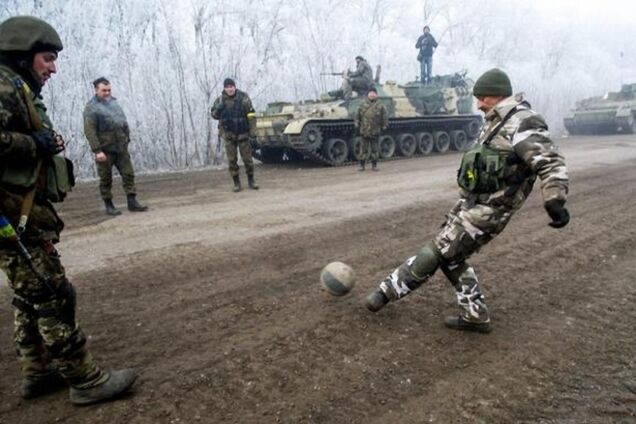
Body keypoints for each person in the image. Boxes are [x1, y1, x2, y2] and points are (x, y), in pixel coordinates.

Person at [365, 68, 570, 333]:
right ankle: (475, 316)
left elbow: (550, 162)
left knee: (437, 251)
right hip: (473, 203)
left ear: (496, 95)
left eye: (482, 98)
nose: (478, 104)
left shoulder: (522, 122)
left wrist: (555, 199)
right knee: (452, 259)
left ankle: (383, 293)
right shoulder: (496, 120)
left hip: (492, 209)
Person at [0, 16, 136, 404]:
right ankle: (85, 380)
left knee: (29, 294)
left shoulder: (16, 86)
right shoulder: (4, 86)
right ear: (23, 55)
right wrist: (35, 144)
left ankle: (37, 371)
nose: (53, 67)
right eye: (47, 58)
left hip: (18, 211)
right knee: (54, 292)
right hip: (12, 214)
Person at [83, 77, 148, 215]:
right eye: (104, 90)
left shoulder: (114, 104)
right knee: (106, 178)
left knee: (128, 174)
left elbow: (123, 122)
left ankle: (132, 201)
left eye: (109, 90)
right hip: (105, 150)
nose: (107, 93)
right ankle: (109, 204)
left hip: (120, 148)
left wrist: (126, 138)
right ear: (96, 90)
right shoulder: (92, 109)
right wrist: (97, 150)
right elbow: (90, 131)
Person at [211, 78, 259, 192]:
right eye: (227, 87)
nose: (230, 89)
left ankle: (251, 180)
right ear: (224, 88)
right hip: (229, 135)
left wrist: (253, 132)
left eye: (231, 86)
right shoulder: (220, 100)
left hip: (243, 134)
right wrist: (218, 109)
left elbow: (251, 115)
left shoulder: (243, 97)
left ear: (235, 87)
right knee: (232, 161)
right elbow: (214, 115)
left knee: (248, 160)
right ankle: (236, 183)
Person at [354, 87, 388, 171]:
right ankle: (362, 166)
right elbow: (357, 116)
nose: (372, 94)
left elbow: (385, 117)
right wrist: (356, 124)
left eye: (373, 93)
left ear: (376, 94)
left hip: (375, 131)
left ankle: (374, 165)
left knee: (375, 150)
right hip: (364, 130)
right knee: (363, 150)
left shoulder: (380, 105)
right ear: (368, 94)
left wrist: (384, 126)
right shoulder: (362, 104)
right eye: (370, 93)